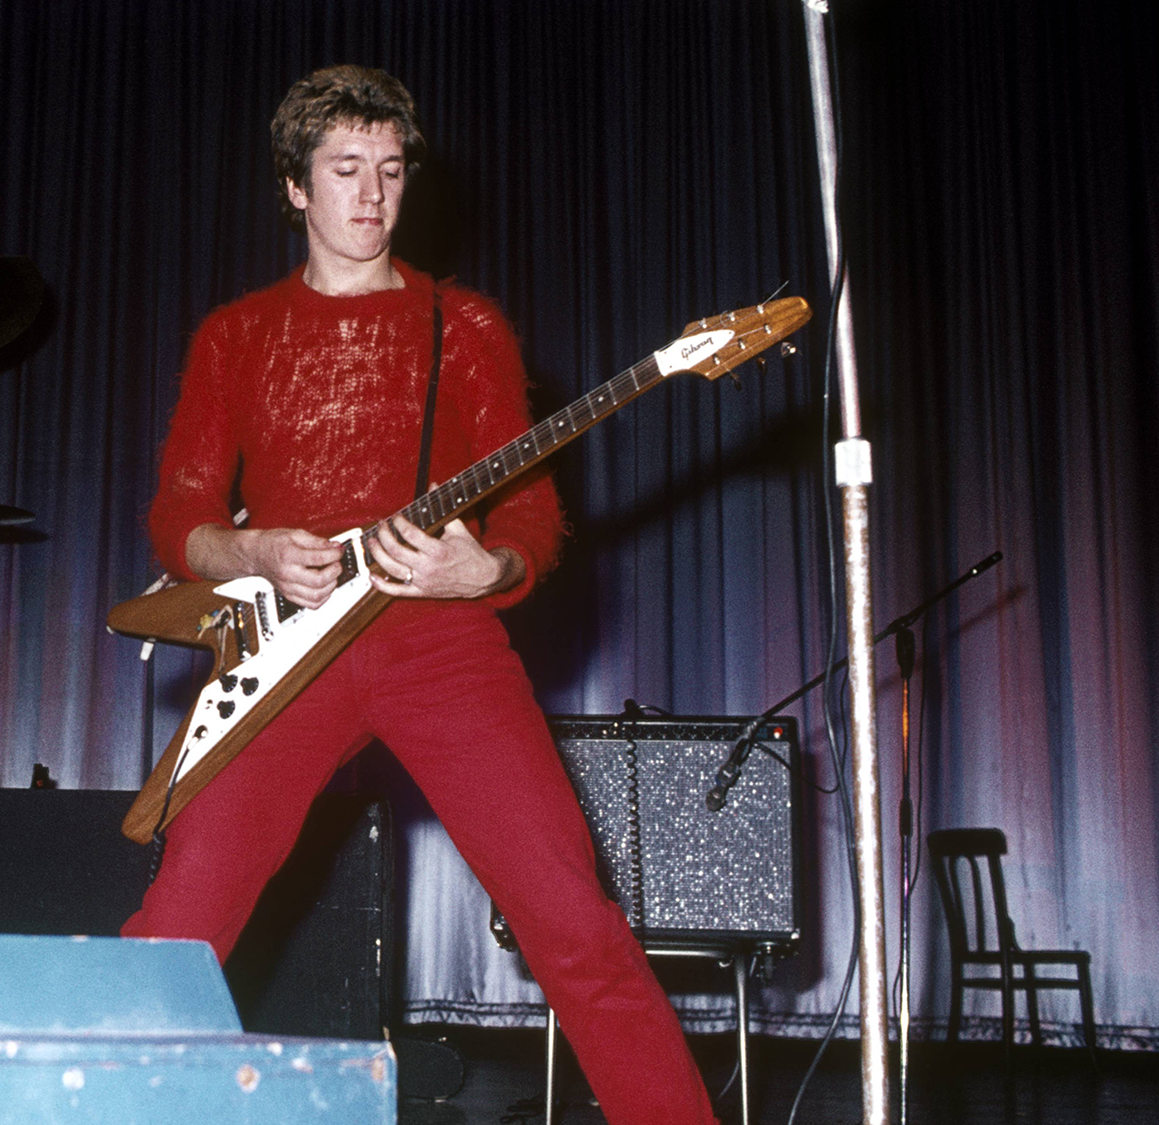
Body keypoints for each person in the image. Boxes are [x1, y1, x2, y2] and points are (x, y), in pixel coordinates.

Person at [123, 67, 717, 1124]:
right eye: (345, 169)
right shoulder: (236, 335)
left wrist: (485, 569)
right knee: (180, 922)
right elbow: (179, 515)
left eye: (391, 171)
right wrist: (250, 549)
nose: (372, 194)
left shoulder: (465, 324)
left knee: (572, 921)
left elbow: (532, 522)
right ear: (294, 187)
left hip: (441, 647)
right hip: (289, 655)